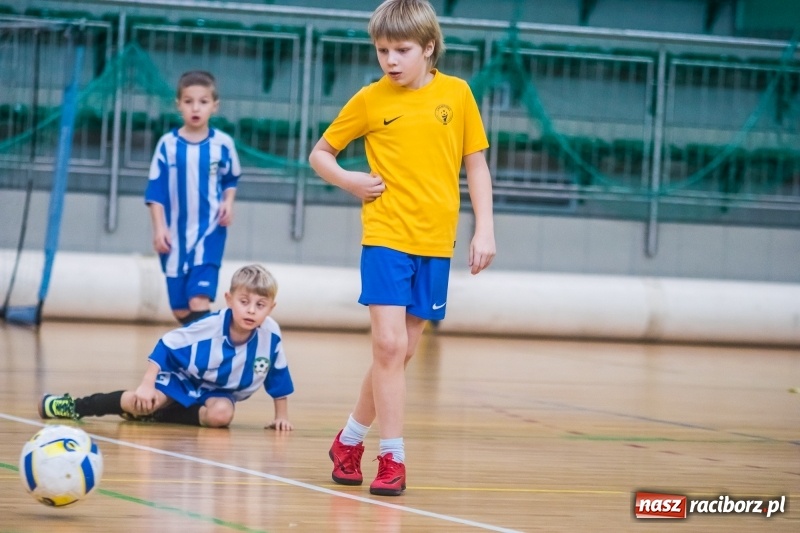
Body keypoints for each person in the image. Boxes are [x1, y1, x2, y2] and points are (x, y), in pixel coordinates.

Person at [308, 0, 496, 496]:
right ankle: (392, 457)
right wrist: (350, 181)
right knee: (389, 346)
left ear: (429, 48)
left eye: (401, 50)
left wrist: (485, 229)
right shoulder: (370, 99)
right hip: (386, 235)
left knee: (404, 349)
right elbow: (321, 154)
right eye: (382, 50)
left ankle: (348, 440)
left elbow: (476, 165)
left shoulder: (457, 95)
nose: (390, 60)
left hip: (435, 241)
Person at [38, 264, 294, 431]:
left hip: (219, 391)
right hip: (183, 377)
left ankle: (161, 415)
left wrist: (280, 416)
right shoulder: (210, 326)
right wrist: (147, 385)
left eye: (260, 305)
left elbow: (277, 374)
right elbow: (167, 344)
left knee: (221, 417)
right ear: (229, 300)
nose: (251, 310)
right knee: (142, 403)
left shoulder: (270, 335)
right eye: (244, 301)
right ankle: (76, 406)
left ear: (271, 308)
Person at [146, 70, 241, 325]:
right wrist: (159, 228)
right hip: (174, 237)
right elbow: (155, 190)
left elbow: (230, 179)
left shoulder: (223, 144)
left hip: (210, 231)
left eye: (203, 101)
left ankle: (209, 359)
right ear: (179, 105)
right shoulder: (167, 145)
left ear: (214, 106)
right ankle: (200, 351)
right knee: (181, 309)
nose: (195, 108)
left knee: (198, 300)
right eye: (189, 102)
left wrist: (228, 202)